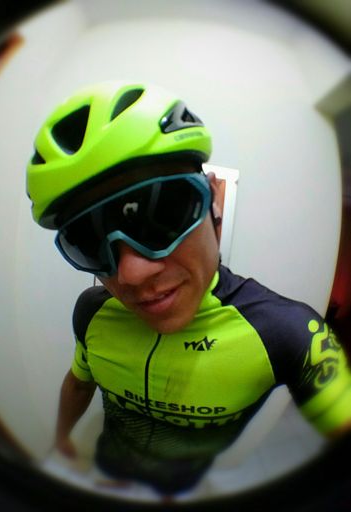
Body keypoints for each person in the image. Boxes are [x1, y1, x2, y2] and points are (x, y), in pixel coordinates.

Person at [26, 80, 351, 496]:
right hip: (106, 472)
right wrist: (60, 440)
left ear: (213, 199)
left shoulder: (287, 333)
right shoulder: (91, 310)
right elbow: (78, 382)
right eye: (86, 241)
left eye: (163, 211)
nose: (131, 275)